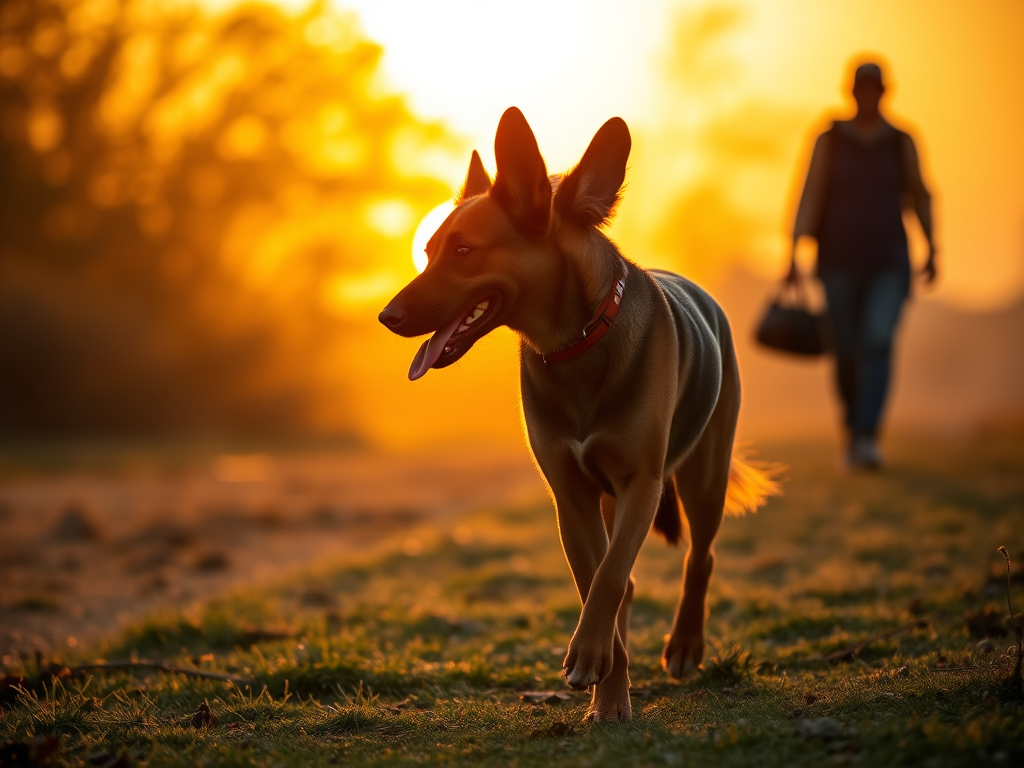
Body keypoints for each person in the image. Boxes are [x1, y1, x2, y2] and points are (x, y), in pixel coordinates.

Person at [787, 60, 937, 469]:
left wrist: (932, 246)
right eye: (861, 88)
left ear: (884, 92)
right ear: (851, 92)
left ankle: (868, 436)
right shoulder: (829, 140)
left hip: (888, 261)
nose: (868, 95)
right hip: (837, 261)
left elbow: (920, 195)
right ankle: (853, 430)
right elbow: (811, 192)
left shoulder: (900, 141)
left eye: (875, 88)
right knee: (847, 350)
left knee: (877, 340)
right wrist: (793, 252)